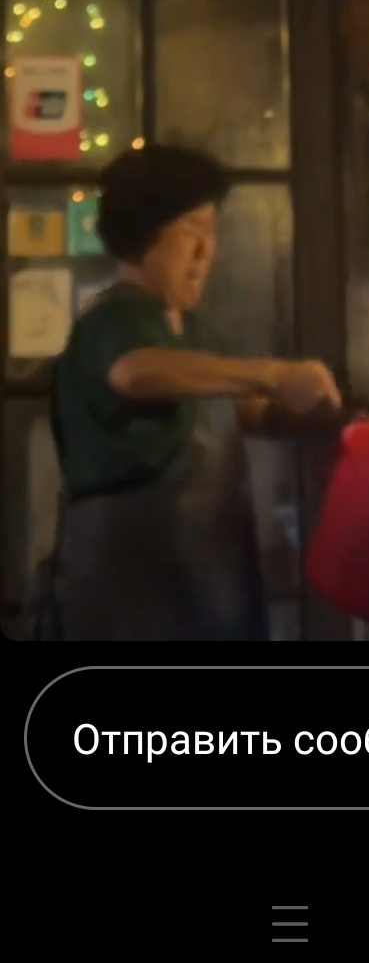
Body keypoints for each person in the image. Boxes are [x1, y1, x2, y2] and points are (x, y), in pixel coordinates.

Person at [39, 144, 342, 641]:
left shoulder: (195, 333)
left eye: (212, 231)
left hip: (209, 591)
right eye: (190, 231)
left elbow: (250, 413)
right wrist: (273, 373)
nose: (206, 252)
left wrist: (333, 423)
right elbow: (135, 373)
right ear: (143, 236)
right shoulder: (114, 319)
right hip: (127, 604)